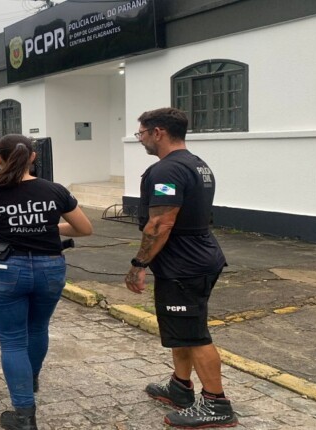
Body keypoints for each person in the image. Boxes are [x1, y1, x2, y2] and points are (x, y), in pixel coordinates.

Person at [0, 134, 93, 430]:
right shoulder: (55, 190)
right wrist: (47, 225)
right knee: (38, 328)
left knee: (12, 341)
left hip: (7, 270)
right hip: (50, 268)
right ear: (32, 157)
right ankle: (30, 378)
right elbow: (84, 229)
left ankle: (24, 416)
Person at [125, 108, 238, 428]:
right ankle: (180, 387)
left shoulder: (167, 170)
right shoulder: (196, 164)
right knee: (182, 328)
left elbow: (161, 223)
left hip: (185, 265)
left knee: (194, 333)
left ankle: (216, 404)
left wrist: (139, 264)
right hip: (194, 258)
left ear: (158, 132)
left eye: (141, 133)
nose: (141, 140)